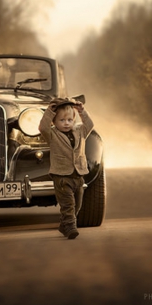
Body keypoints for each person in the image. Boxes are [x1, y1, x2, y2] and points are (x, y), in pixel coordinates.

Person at [38, 97, 94, 239]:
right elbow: (42, 127)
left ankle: (64, 224)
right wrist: (50, 111)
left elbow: (90, 124)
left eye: (69, 120)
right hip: (62, 177)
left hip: (78, 174)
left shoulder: (80, 131)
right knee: (68, 205)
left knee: (78, 204)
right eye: (62, 120)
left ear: (74, 120)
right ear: (54, 122)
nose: (66, 123)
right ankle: (70, 228)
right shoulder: (52, 134)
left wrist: (82, 111)